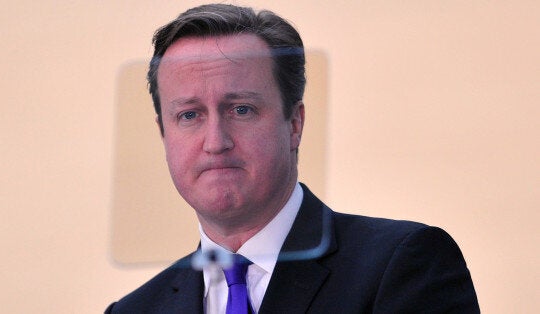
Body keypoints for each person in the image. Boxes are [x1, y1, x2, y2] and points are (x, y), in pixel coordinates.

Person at [106, 3, 479, 313]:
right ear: (163, 134)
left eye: (241, 110)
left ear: (295, 123)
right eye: (189, 115)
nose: (215, 142)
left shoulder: (402, 266)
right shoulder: (132, 311)